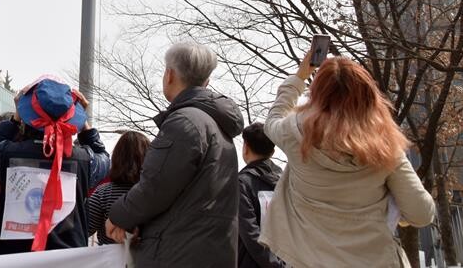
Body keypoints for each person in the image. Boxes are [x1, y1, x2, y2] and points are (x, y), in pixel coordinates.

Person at [259, 51, 435, 267]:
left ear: (317, 95)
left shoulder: (293, 133)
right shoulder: (385, 144)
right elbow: (421, 214)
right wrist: (395, 210)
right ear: (369, 96)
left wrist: (300, 76)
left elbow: (273, 120)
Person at [106, 41, 244, 267]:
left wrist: (117, 216)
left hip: (178, 253)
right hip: (210, 250)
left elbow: (155, 188)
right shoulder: (219, 128)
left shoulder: (184, 123)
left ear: (169, 74)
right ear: (206, 81)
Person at [0, 78, 109, 254]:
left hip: (12, 259)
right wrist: (84, 123)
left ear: (26, 116)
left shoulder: (7, 153)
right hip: (69, 259)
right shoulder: (85, 160)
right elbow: (104, 159)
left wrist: (14, 120)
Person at [86, 130, 149, 246]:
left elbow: (83, 229)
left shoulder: (103, 193)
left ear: (116, 158)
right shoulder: (157, 194)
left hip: (109, 262)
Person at [237, 123, 285, 268]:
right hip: (286, 259)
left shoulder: (242, 183)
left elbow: (251, 234)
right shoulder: (286, 181)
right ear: (272, 152)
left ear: (245, 147)